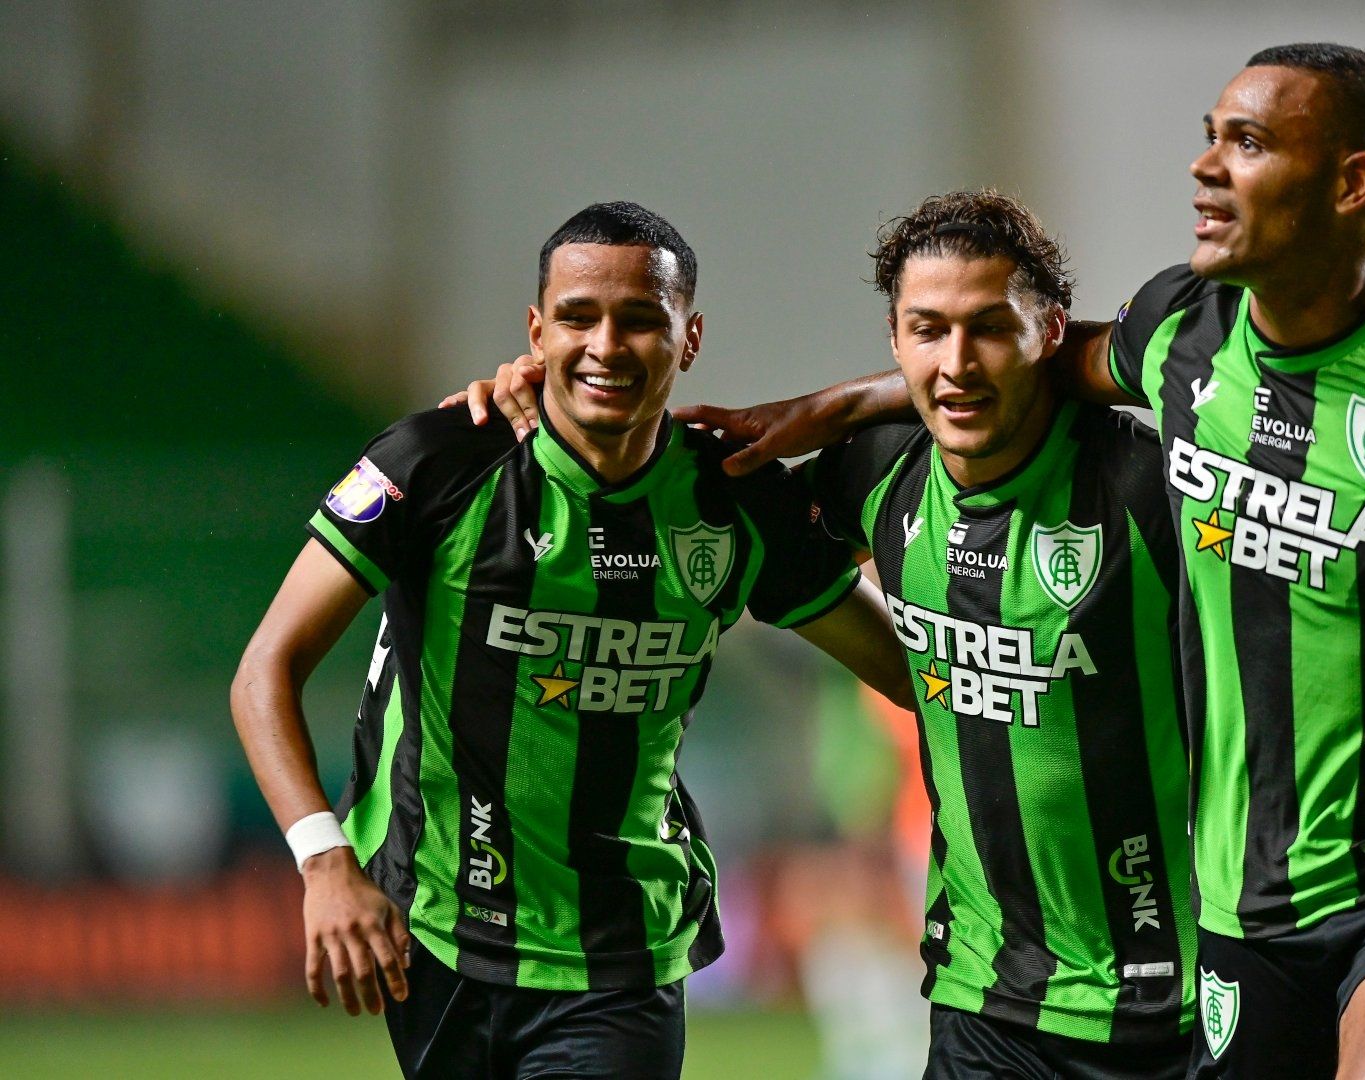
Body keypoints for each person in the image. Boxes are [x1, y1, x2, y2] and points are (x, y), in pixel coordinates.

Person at [516, 46, 1365, 1079]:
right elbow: (1002, 374)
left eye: (1250, 144)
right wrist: (808, 408)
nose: (1207, 166)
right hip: (1231, 911)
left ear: (1354, 181)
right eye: (1211, 138)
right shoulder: (1179, 336)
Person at [231, 201, 912, 1079]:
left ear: (689, 336)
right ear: (536, 329)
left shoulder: (734, 503)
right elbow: (265, 670)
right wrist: (324, 862)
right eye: (578, 317)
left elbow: (908, 670)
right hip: (438, 932)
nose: (605, 345)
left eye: (640, 319)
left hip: (620, 958)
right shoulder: (441, 464)